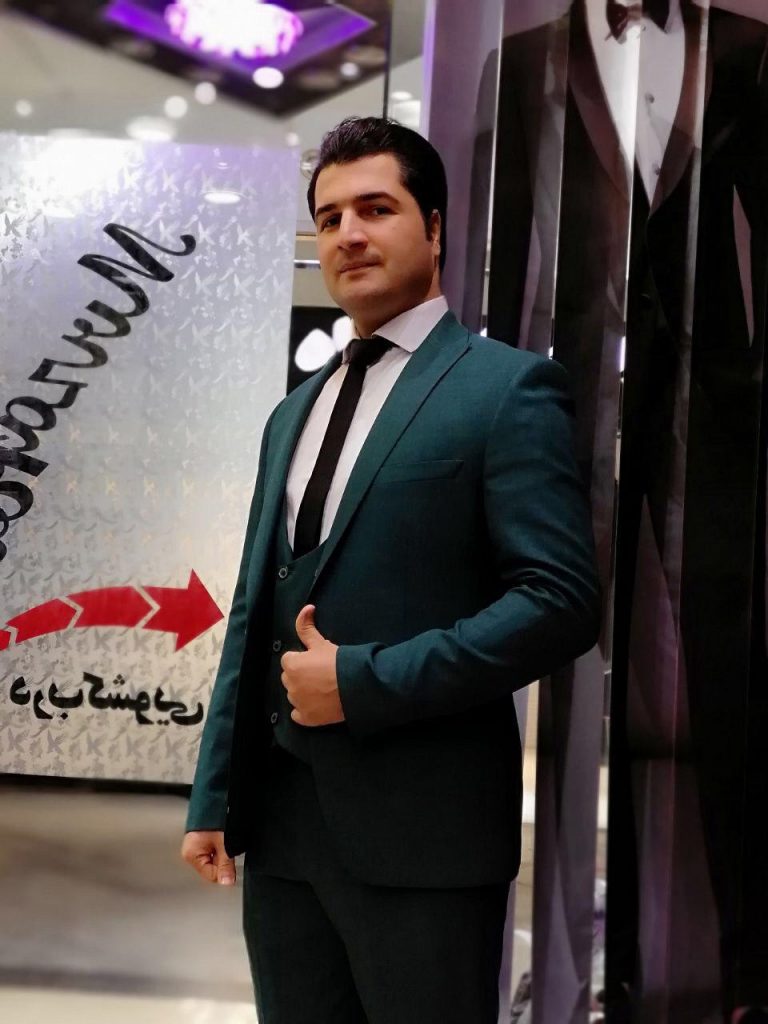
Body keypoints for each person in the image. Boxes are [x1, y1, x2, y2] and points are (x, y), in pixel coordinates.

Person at [181, 115, 600, 1024]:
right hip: (283, 833)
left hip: (426, 838)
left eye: (376, 208)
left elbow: (560, 601)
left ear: (435, 227)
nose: (349, 235)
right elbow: (254, 610)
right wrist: (214, 794)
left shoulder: (506, 389)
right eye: (329, 218)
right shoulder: (293, 412)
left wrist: (364, 681)